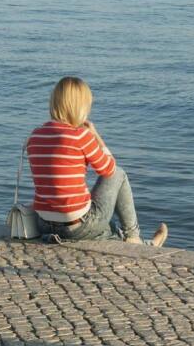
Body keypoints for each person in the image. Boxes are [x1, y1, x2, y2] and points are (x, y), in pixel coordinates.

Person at [27, 76, 167, 246]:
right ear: (80, 106)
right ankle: (134, 236)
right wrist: (95, 135)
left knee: (107, 230)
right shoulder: (80, 135)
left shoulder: (35, 135)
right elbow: (109, 169)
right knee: (119, 174)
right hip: (77, 225)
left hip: (43, 224)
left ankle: (139, 242)